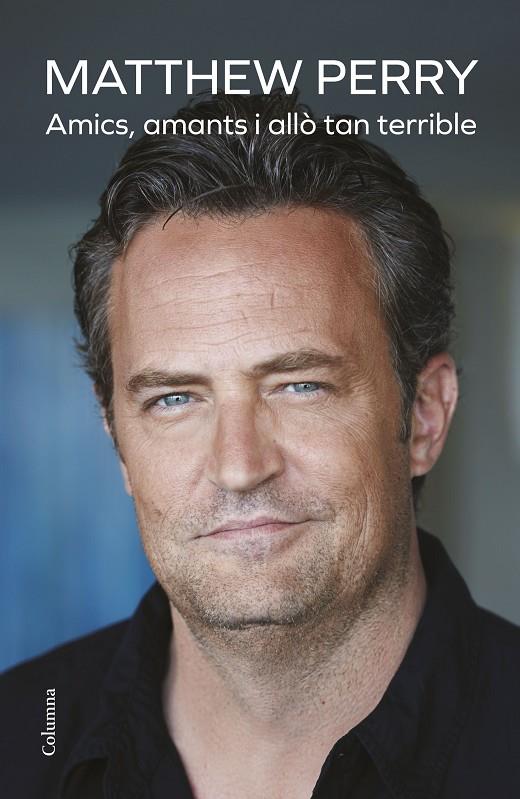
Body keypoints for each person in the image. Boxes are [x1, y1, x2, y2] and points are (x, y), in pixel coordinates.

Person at [1, 91, 519, 799]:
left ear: (425, 416)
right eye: (174, 398)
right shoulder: (19, 739)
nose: (240, 466)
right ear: (117, 440)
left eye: (300, 386)